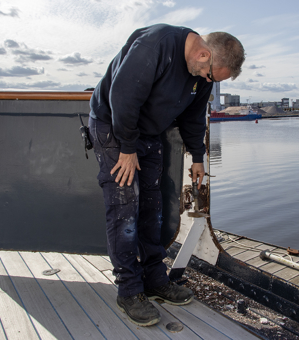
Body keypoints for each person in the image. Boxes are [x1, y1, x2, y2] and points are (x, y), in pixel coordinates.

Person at [89, 23, 245, 327]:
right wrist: (127, 148)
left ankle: (154, 279)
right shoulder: (156, 44)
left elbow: (193, 115)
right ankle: (129, 291)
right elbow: (122, 96)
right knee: (124, 209)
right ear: (203, 54)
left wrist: (198, 157)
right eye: (210, 75)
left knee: (152, 205)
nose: (207, 81)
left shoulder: (204, 75)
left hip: (148, 132)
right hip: (114, 127)